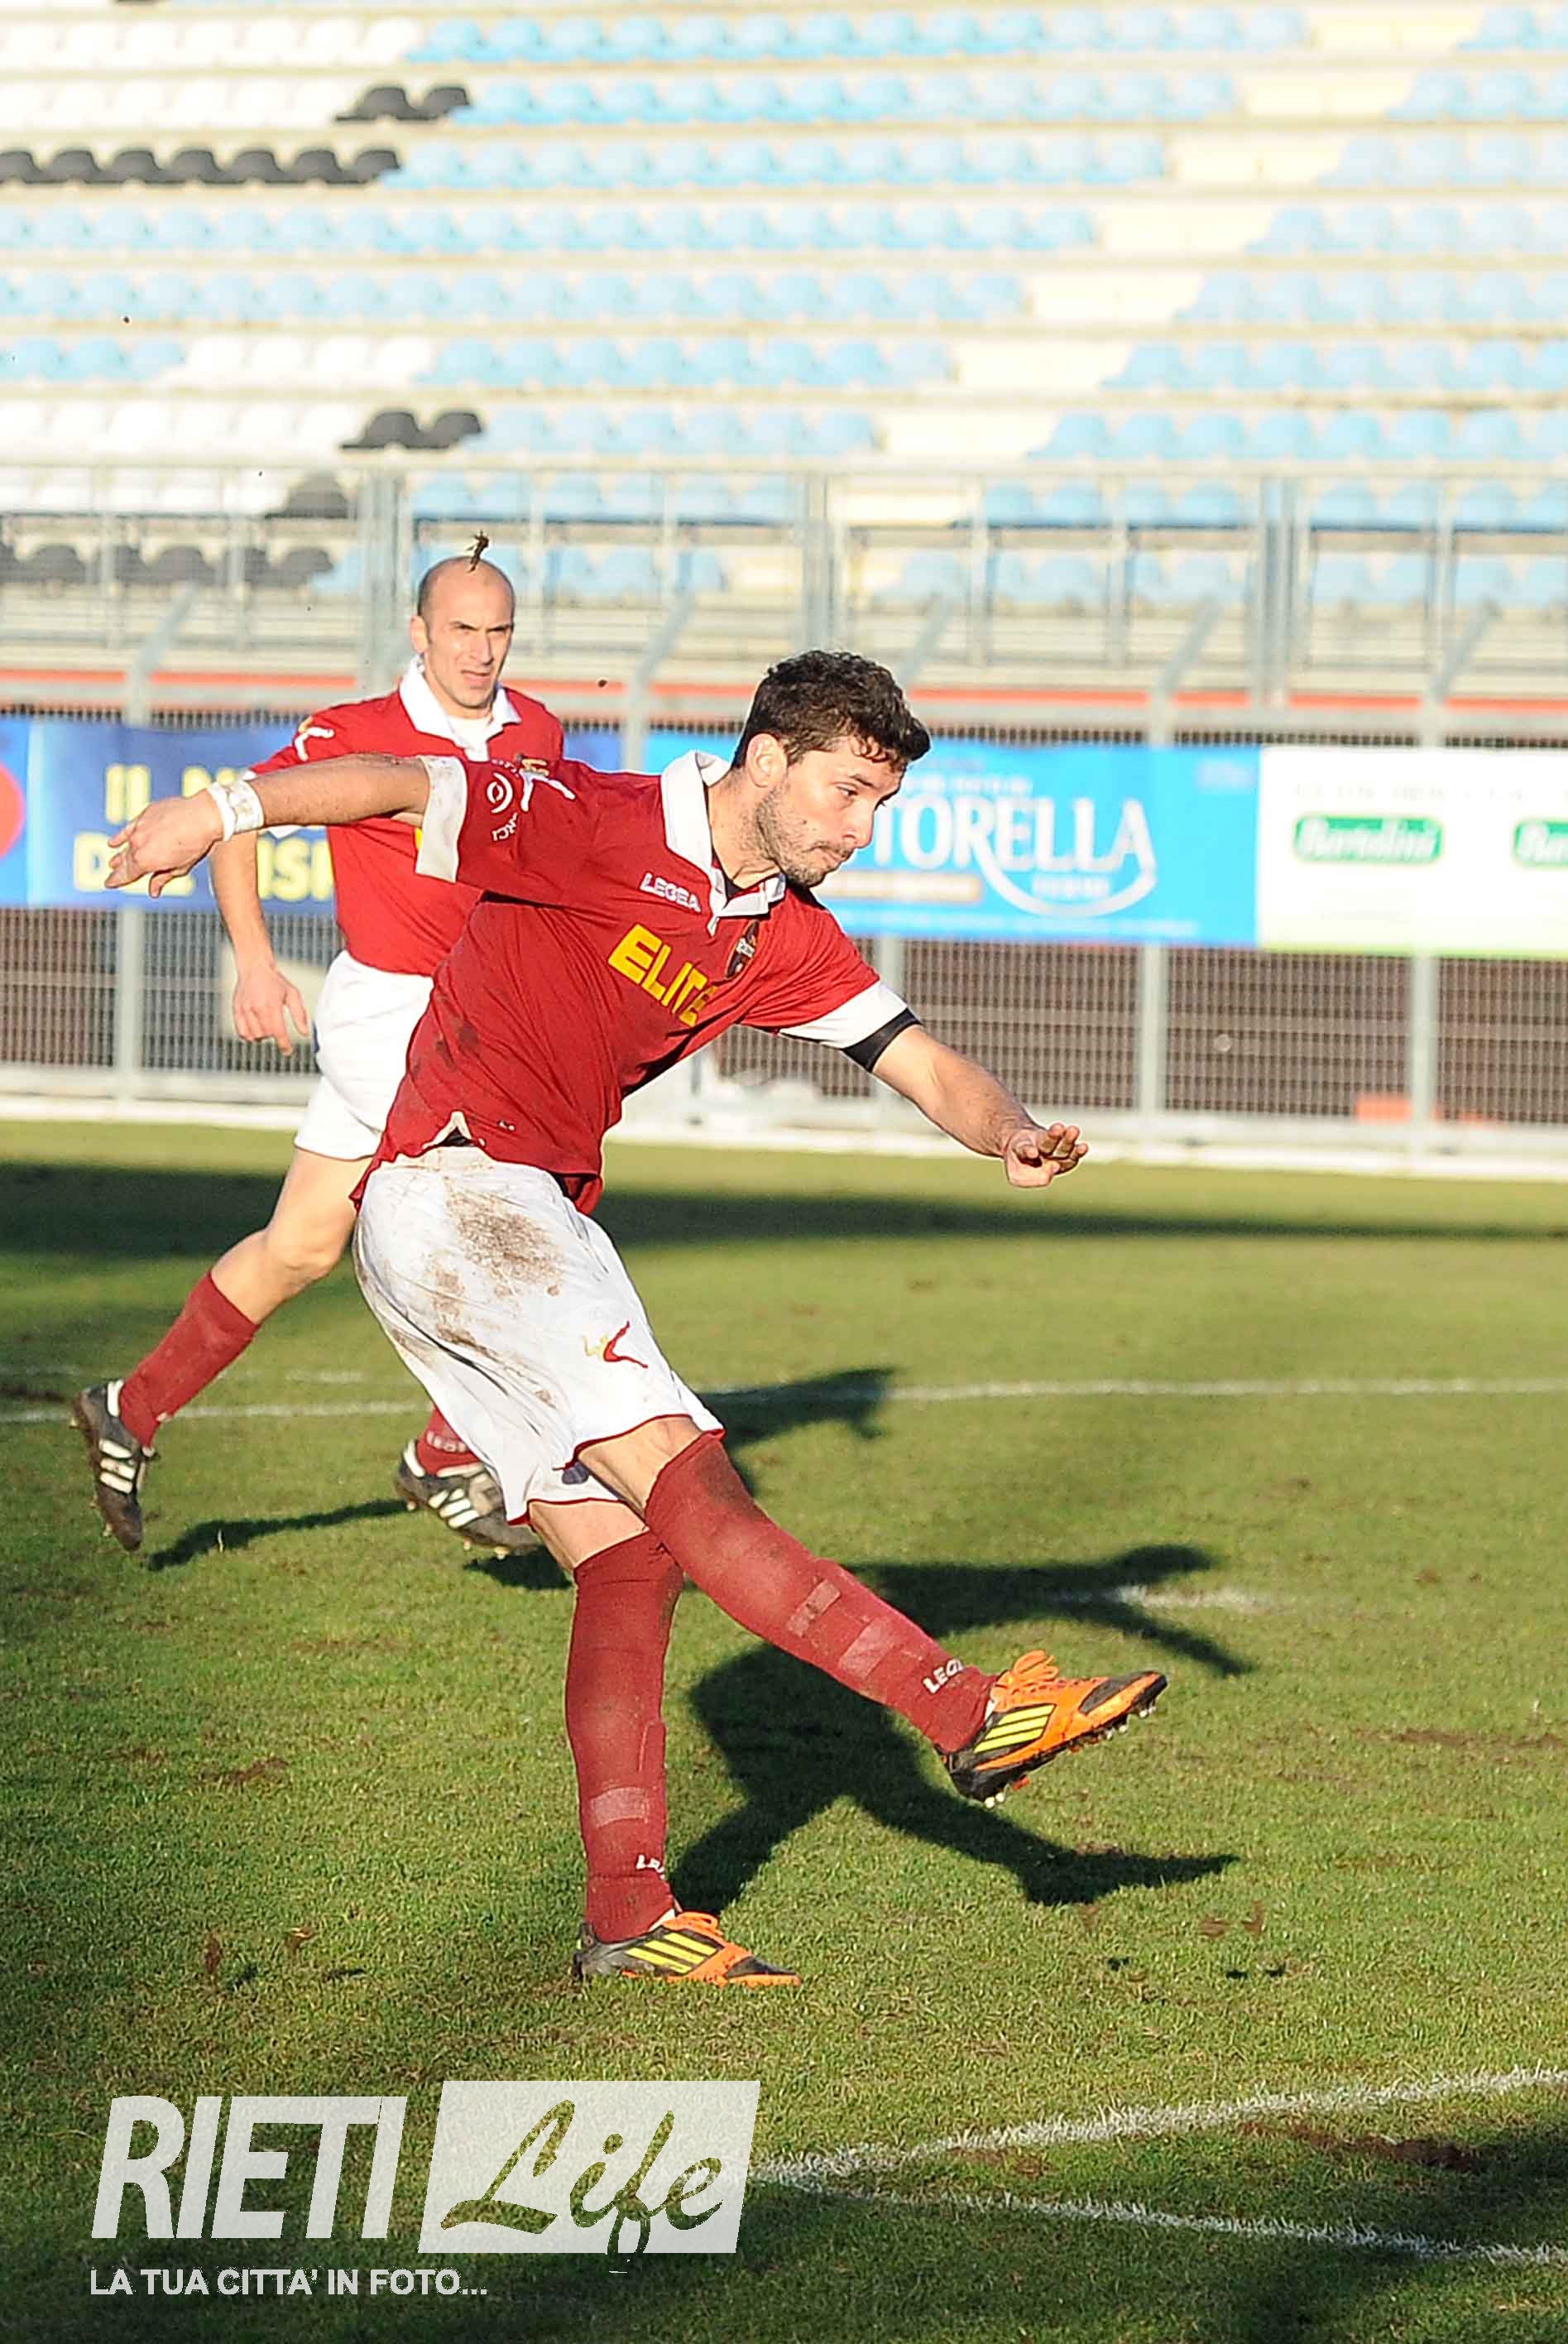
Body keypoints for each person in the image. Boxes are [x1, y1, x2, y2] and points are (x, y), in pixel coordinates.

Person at [103, 650, 1168, 1988]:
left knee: (625, 1558)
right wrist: (219, 811)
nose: (860, 827)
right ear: (767, 758)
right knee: (688, 1478)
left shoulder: (779, 931)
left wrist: (1007, 1129)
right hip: (468, 1194)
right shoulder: (592, 816)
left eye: (881, 805)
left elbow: (916, 1057)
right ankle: (967, 1710)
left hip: (472, 1218)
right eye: (846, 791)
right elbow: (400, 782)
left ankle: (629, 1908)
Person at [72, 540, 555, 1555]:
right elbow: (236, 819)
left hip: (486, 1019)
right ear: (419, 632)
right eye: (461, 629)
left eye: (498, 631)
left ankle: (129, 1407)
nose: (480, 651)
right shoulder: (355, 732)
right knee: (503, 1211)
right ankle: (447, 1452)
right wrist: (255, 963)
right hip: (392, 1017)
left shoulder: (539, 732)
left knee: (299, 1247)